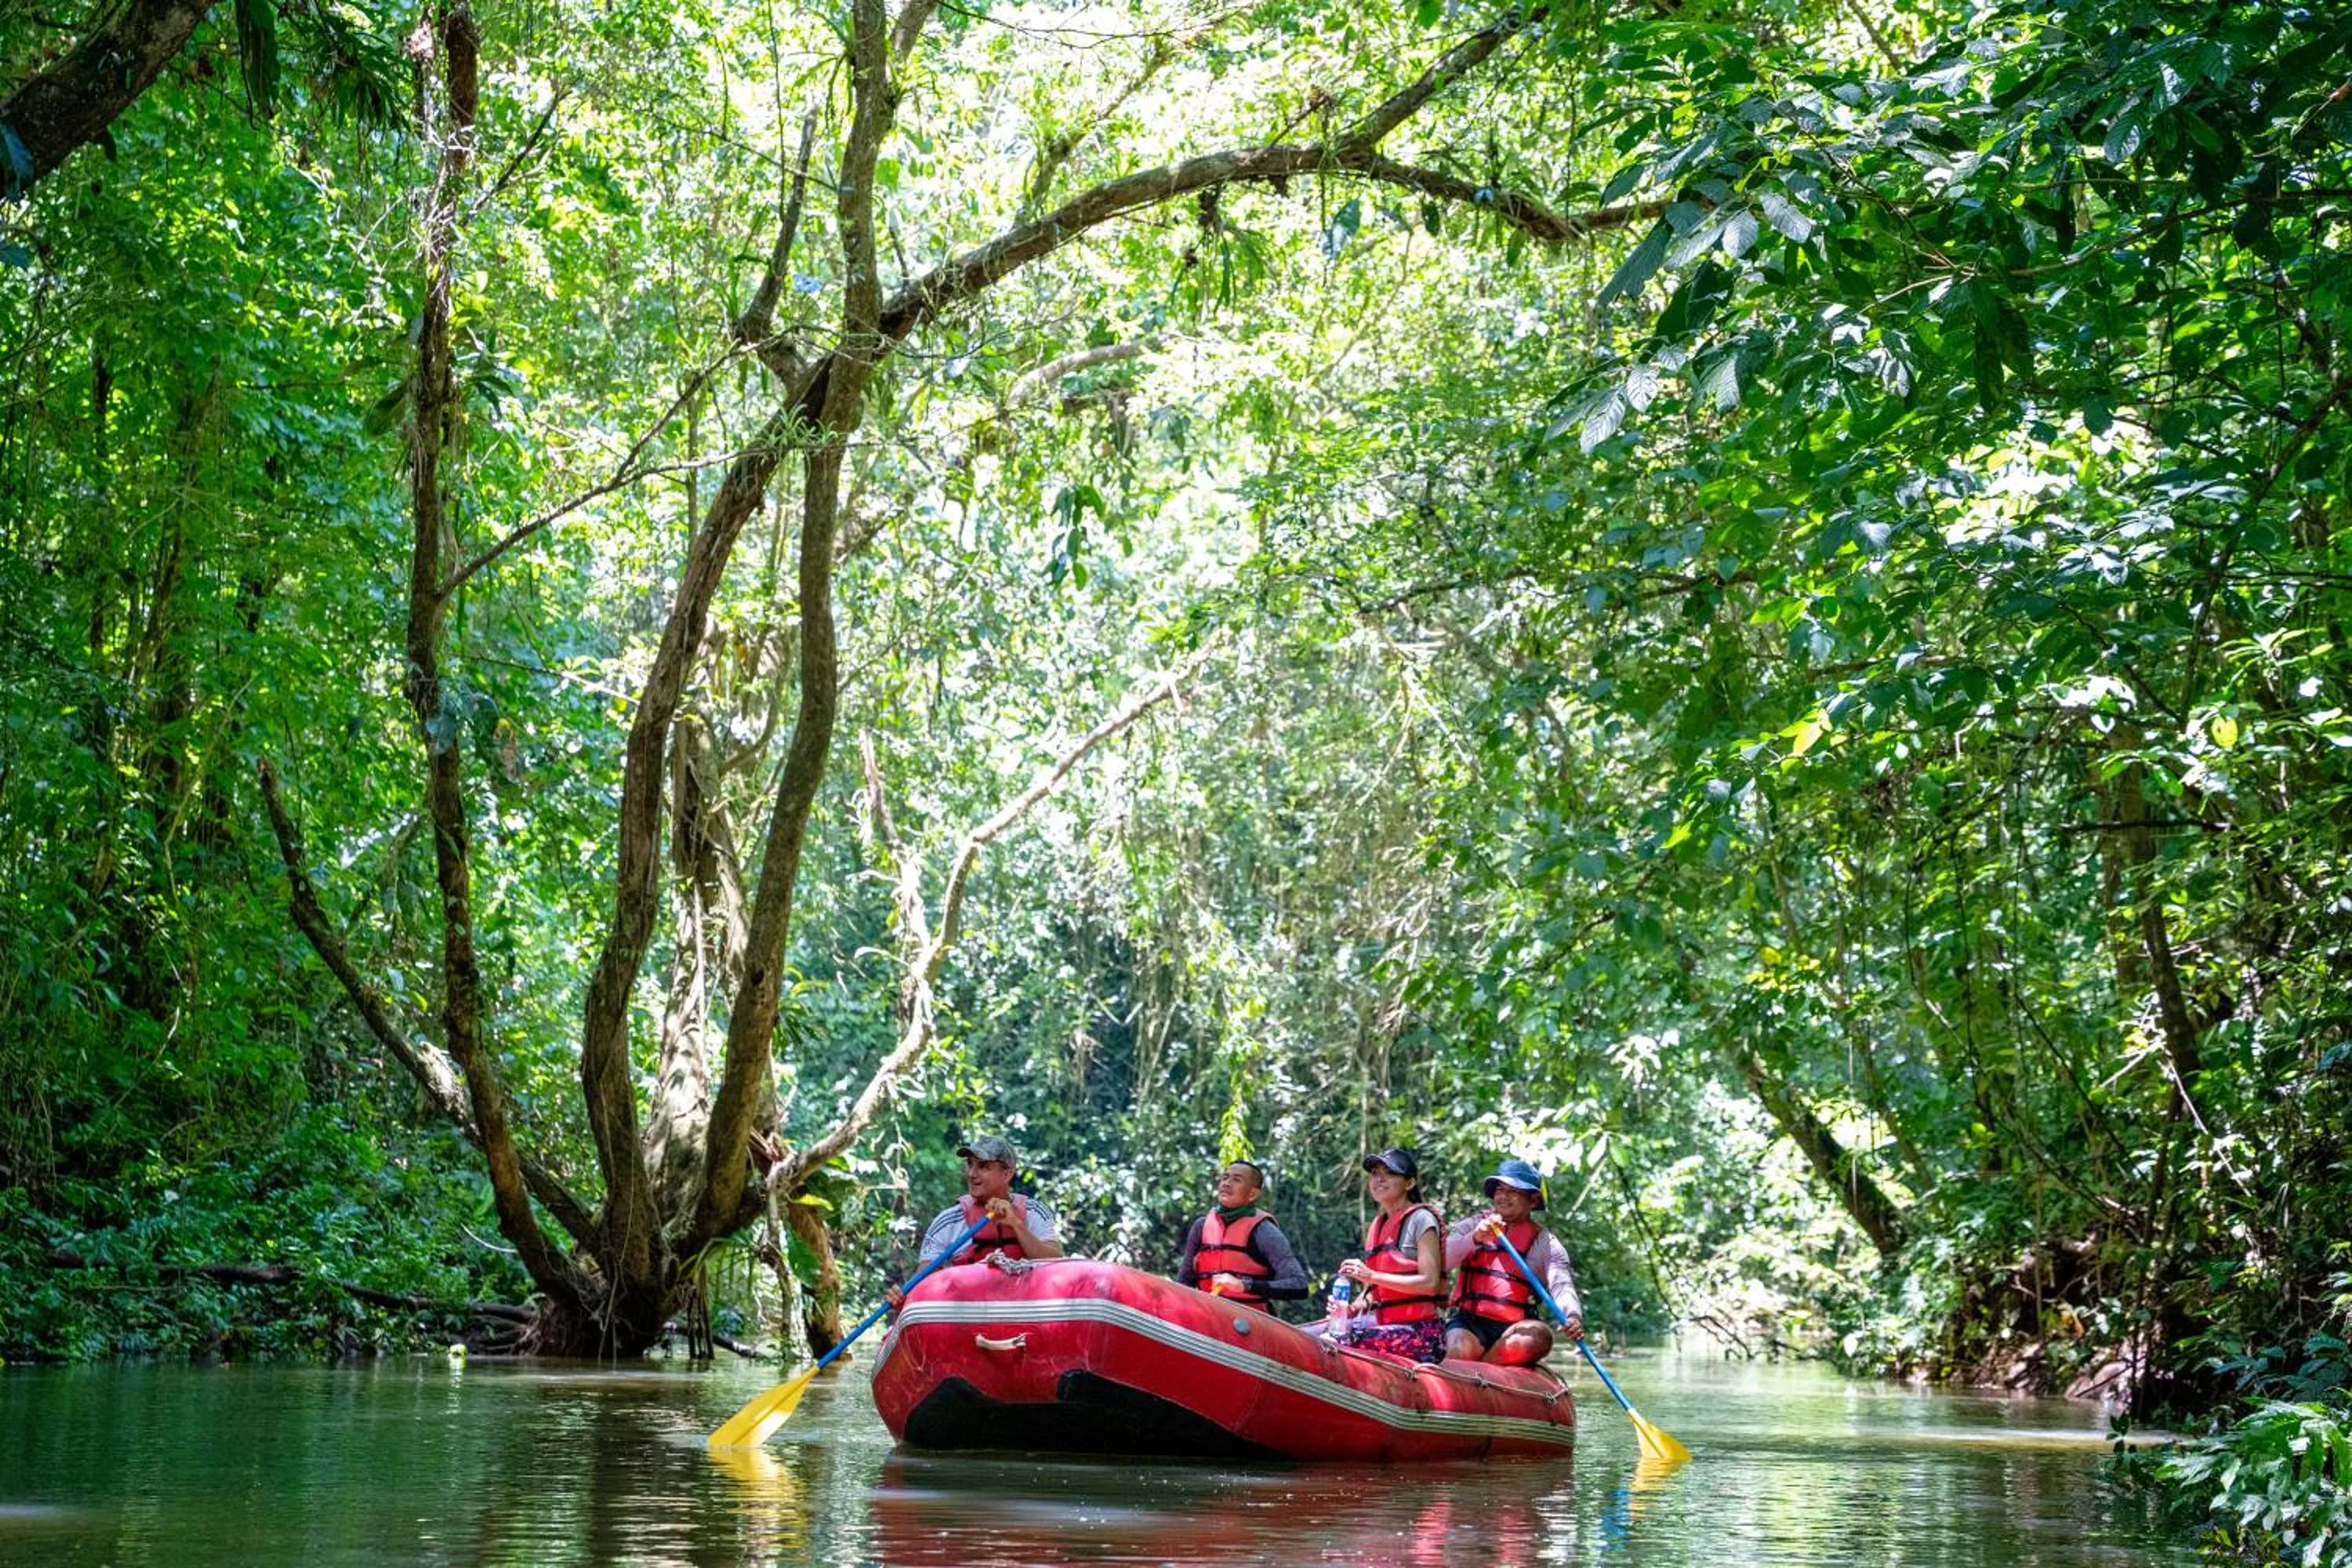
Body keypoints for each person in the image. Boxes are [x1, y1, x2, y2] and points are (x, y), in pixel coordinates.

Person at [886, 1134, 1063, 1308]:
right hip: (967, 1319)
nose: (972, 1174)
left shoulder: (1034, 1212)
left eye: (983, 1167)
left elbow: (1055, 1263)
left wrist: (1015, 1224)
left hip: (1023, 1313)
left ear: (1007, 1174)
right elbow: (921, 1282)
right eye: (970, 1164)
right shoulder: (948, 1222)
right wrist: (902, 1298)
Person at [1442, 1157, 1581, 1366]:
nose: (1503, 1197)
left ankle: (1485, 1369)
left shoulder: (1546, 1243)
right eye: (1500, 1190)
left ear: (1533, 1201)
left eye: (1513, 1191)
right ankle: (1479, 1371)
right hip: (1469, 1322)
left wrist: (1572, 1315)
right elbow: (1440, 1262)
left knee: (1539, 1336)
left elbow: (1562, 1284)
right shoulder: (1472, 1225)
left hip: (1514, 1327)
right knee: (1457, 1347)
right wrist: (1474, 1238)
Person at [1328, 1148, 1447, 1363]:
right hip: (1390, 1327)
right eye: (1375, 1173)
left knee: (1337, 1342)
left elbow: (1429, 1282)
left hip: (1422, 1333)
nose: (1379, 1179)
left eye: (1390, 1173)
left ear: (1409, 1183)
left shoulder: (1422, 1219)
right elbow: (1376, 1293)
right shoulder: (1378, 1224)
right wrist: (1351, 1309)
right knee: (1327, 1336)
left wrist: (1372, 1276)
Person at [1176, 1160, 1310, 1312]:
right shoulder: (1201, 1225)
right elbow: (1184, 1281)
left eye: (1236, 1180)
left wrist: (1244, 1285)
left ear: (1253, 1194)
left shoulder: (1265, 1230)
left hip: (1249, 1322)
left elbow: (1299, 1285)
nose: (1226, 1183)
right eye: (1225, 1178)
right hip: (1209, 1316)